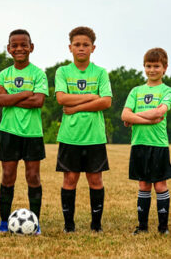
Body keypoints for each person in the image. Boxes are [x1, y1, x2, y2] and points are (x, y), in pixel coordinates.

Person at [55, 26, 112, 233]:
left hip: (95, 136)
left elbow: (106, 102)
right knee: (70, 178)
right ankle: (69, 225)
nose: (81, 48)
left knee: (95, 179)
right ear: (70, 47)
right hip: (70, 136)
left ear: (93, 48)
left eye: (85, 45)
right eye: (77, 45)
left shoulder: (100, 73)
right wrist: (91, 96)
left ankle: (96, 225)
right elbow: (61, 98)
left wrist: (77, 106)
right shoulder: (63, 71)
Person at [0, 29, 49, 234]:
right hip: (9, 132)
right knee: (8, 175)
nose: (19, 48)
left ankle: (36, 223)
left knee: (33, 177)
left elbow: (38, 101)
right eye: (14, 45)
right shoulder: (3, 74)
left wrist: (11, 96)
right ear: (9, 49)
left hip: (33, 133)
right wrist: (26, 93)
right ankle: (3, 223)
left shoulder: (38, 73)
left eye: (23, 44)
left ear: (31, 47)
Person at [121, 48, 171, 235]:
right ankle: (142, 227)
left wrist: (134, 117)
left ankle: (163, 227)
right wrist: (144, 118)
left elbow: (159, 112)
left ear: (164, 68)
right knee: (143, 185)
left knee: (160, 185)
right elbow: (124, 115)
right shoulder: (136, 91)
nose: (152, 70)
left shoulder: (166, 91)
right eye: (149, 66)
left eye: (156, 66)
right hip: (139, 144)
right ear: (144, 67)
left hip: (158, 145)